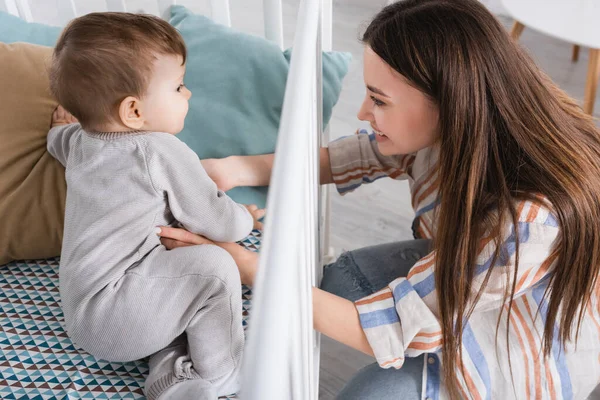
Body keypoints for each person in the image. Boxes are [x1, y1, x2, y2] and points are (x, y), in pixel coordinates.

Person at [158, 0, 600, 398]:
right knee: (336, 282)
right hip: (470, 270)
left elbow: (385, 328)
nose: (363, 112)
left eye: (378, 100)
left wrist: (244, 261)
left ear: (448, 100)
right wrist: (237, 167)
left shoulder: (526, 220)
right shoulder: (458, 127)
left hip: (520, 347)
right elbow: (359, 153)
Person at [46, 12, 264, 400]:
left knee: (177, 289)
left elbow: (56, 142)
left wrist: (58, 127)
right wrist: (242, 218)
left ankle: (170, 378)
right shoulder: (159, 150)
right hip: (119, 310)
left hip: (84, 313)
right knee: (214, 270)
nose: (189, 94)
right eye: (178, 87)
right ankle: (223, 372)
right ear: (133, 111)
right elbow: (220, 222)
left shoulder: (80, 141)